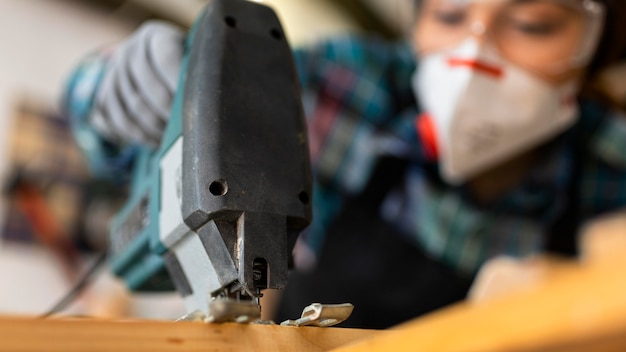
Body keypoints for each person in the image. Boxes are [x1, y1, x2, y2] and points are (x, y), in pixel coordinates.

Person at [63, 0, 626, 328]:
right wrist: (112, 86)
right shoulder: (342, 84)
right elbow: (105, 123)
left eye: (533, 24)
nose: (475, 54)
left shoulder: (611, 167)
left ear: (602, 44)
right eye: (450, 14)